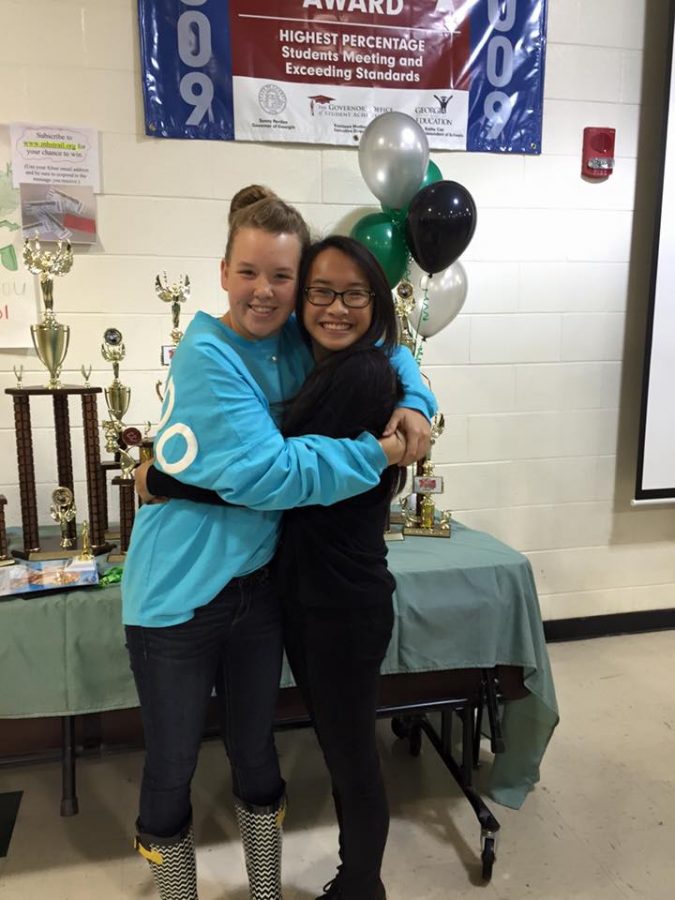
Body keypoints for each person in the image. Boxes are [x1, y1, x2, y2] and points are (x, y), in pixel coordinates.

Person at [124, 188, 436, 900]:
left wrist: (414, 399)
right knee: (171, 766)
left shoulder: (294, 340)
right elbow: (269, 475)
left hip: (259, 588)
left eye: (281, 277)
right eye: (248, 273)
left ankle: (265, 892)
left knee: (256, 755)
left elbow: (383, 343)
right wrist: (381, 453)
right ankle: (177, 892)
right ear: (223, 271)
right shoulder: (208, 354)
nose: (263, 292)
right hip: (176, 596)